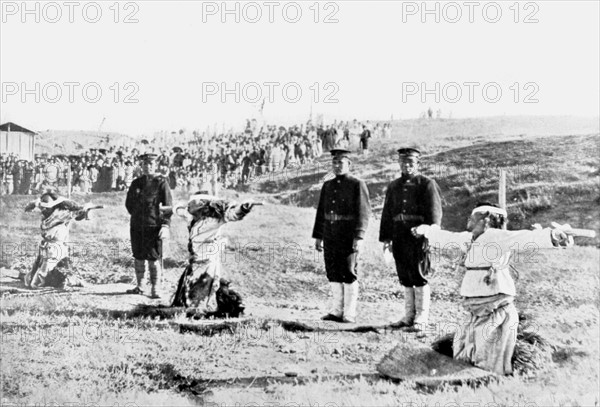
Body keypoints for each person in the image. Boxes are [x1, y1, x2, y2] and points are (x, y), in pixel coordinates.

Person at [412, 202, 574, 375]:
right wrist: (426, 231)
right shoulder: (469, 238)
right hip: (475, 301)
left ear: (486, 219)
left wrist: (554, 236)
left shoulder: (497, 236)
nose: (469, 219)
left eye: (473, 217)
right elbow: (447, 237)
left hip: (494, 299)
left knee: (487, 341)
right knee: (464, 339)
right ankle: (469, 368)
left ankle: (486, 372)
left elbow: (525, 238)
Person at [379, 148, 442, 330]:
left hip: (417, 236)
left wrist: (428, 231)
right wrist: (386, 238)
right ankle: (408, 316)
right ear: (399, 163)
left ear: (418, 164)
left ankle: (421, 317)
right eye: (403, 162)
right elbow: (387, 213)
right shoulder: (394, 186)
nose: (407, 166)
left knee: (418, 274)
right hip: (399, 235)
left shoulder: (427, 184)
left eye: (411, 163)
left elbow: (435, 214)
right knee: (405, 275)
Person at [170, 191, 257, 317]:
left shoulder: (215, 220)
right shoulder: (192, 217)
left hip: (208, 260)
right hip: (195, 259)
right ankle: (194, 307)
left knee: (202, 290)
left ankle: (203, 309)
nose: (192, 209)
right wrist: (173, 208)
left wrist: (243, 208)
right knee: (187, 289)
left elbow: (233, 214)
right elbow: (179, 210)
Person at [312, 148, 371, 323]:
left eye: (341, 163)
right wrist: (318, 236)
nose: (337, 166)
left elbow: (363, 213)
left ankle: (349, 313)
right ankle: (336, 311)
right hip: (330, 234)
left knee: (348, 271)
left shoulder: (356, 184)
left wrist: (359, 237)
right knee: (333, 271)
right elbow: (321, 212)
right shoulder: (328, 185)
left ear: (349, 164)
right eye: (335, 163)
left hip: (347, 235)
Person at [23, 190, 95, 288]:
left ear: (54, 206)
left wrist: (86, 209)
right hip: (45, 248)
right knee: (30, 280)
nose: (44, 209)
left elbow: (79, 215)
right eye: (42, 207)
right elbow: (34, 204)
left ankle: (67, 279)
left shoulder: (62, 214)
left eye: (47, 208)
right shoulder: (44, 209)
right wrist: (31, 205)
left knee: (37, 283)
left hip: (57, 250)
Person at [125, 153, 173, 298]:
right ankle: (140, 286)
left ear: (156, 165)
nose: (147, 167)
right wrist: (138, 215)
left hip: (154, 226)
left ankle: (155, 289)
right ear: (142, 166)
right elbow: (129, 204)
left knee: (153, 258)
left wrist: (165, 225)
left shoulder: (161, 183)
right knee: (138, 256)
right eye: (145, 164)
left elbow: (168, 207)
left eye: (151, 164)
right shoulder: (136, 183)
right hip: (137, 225)